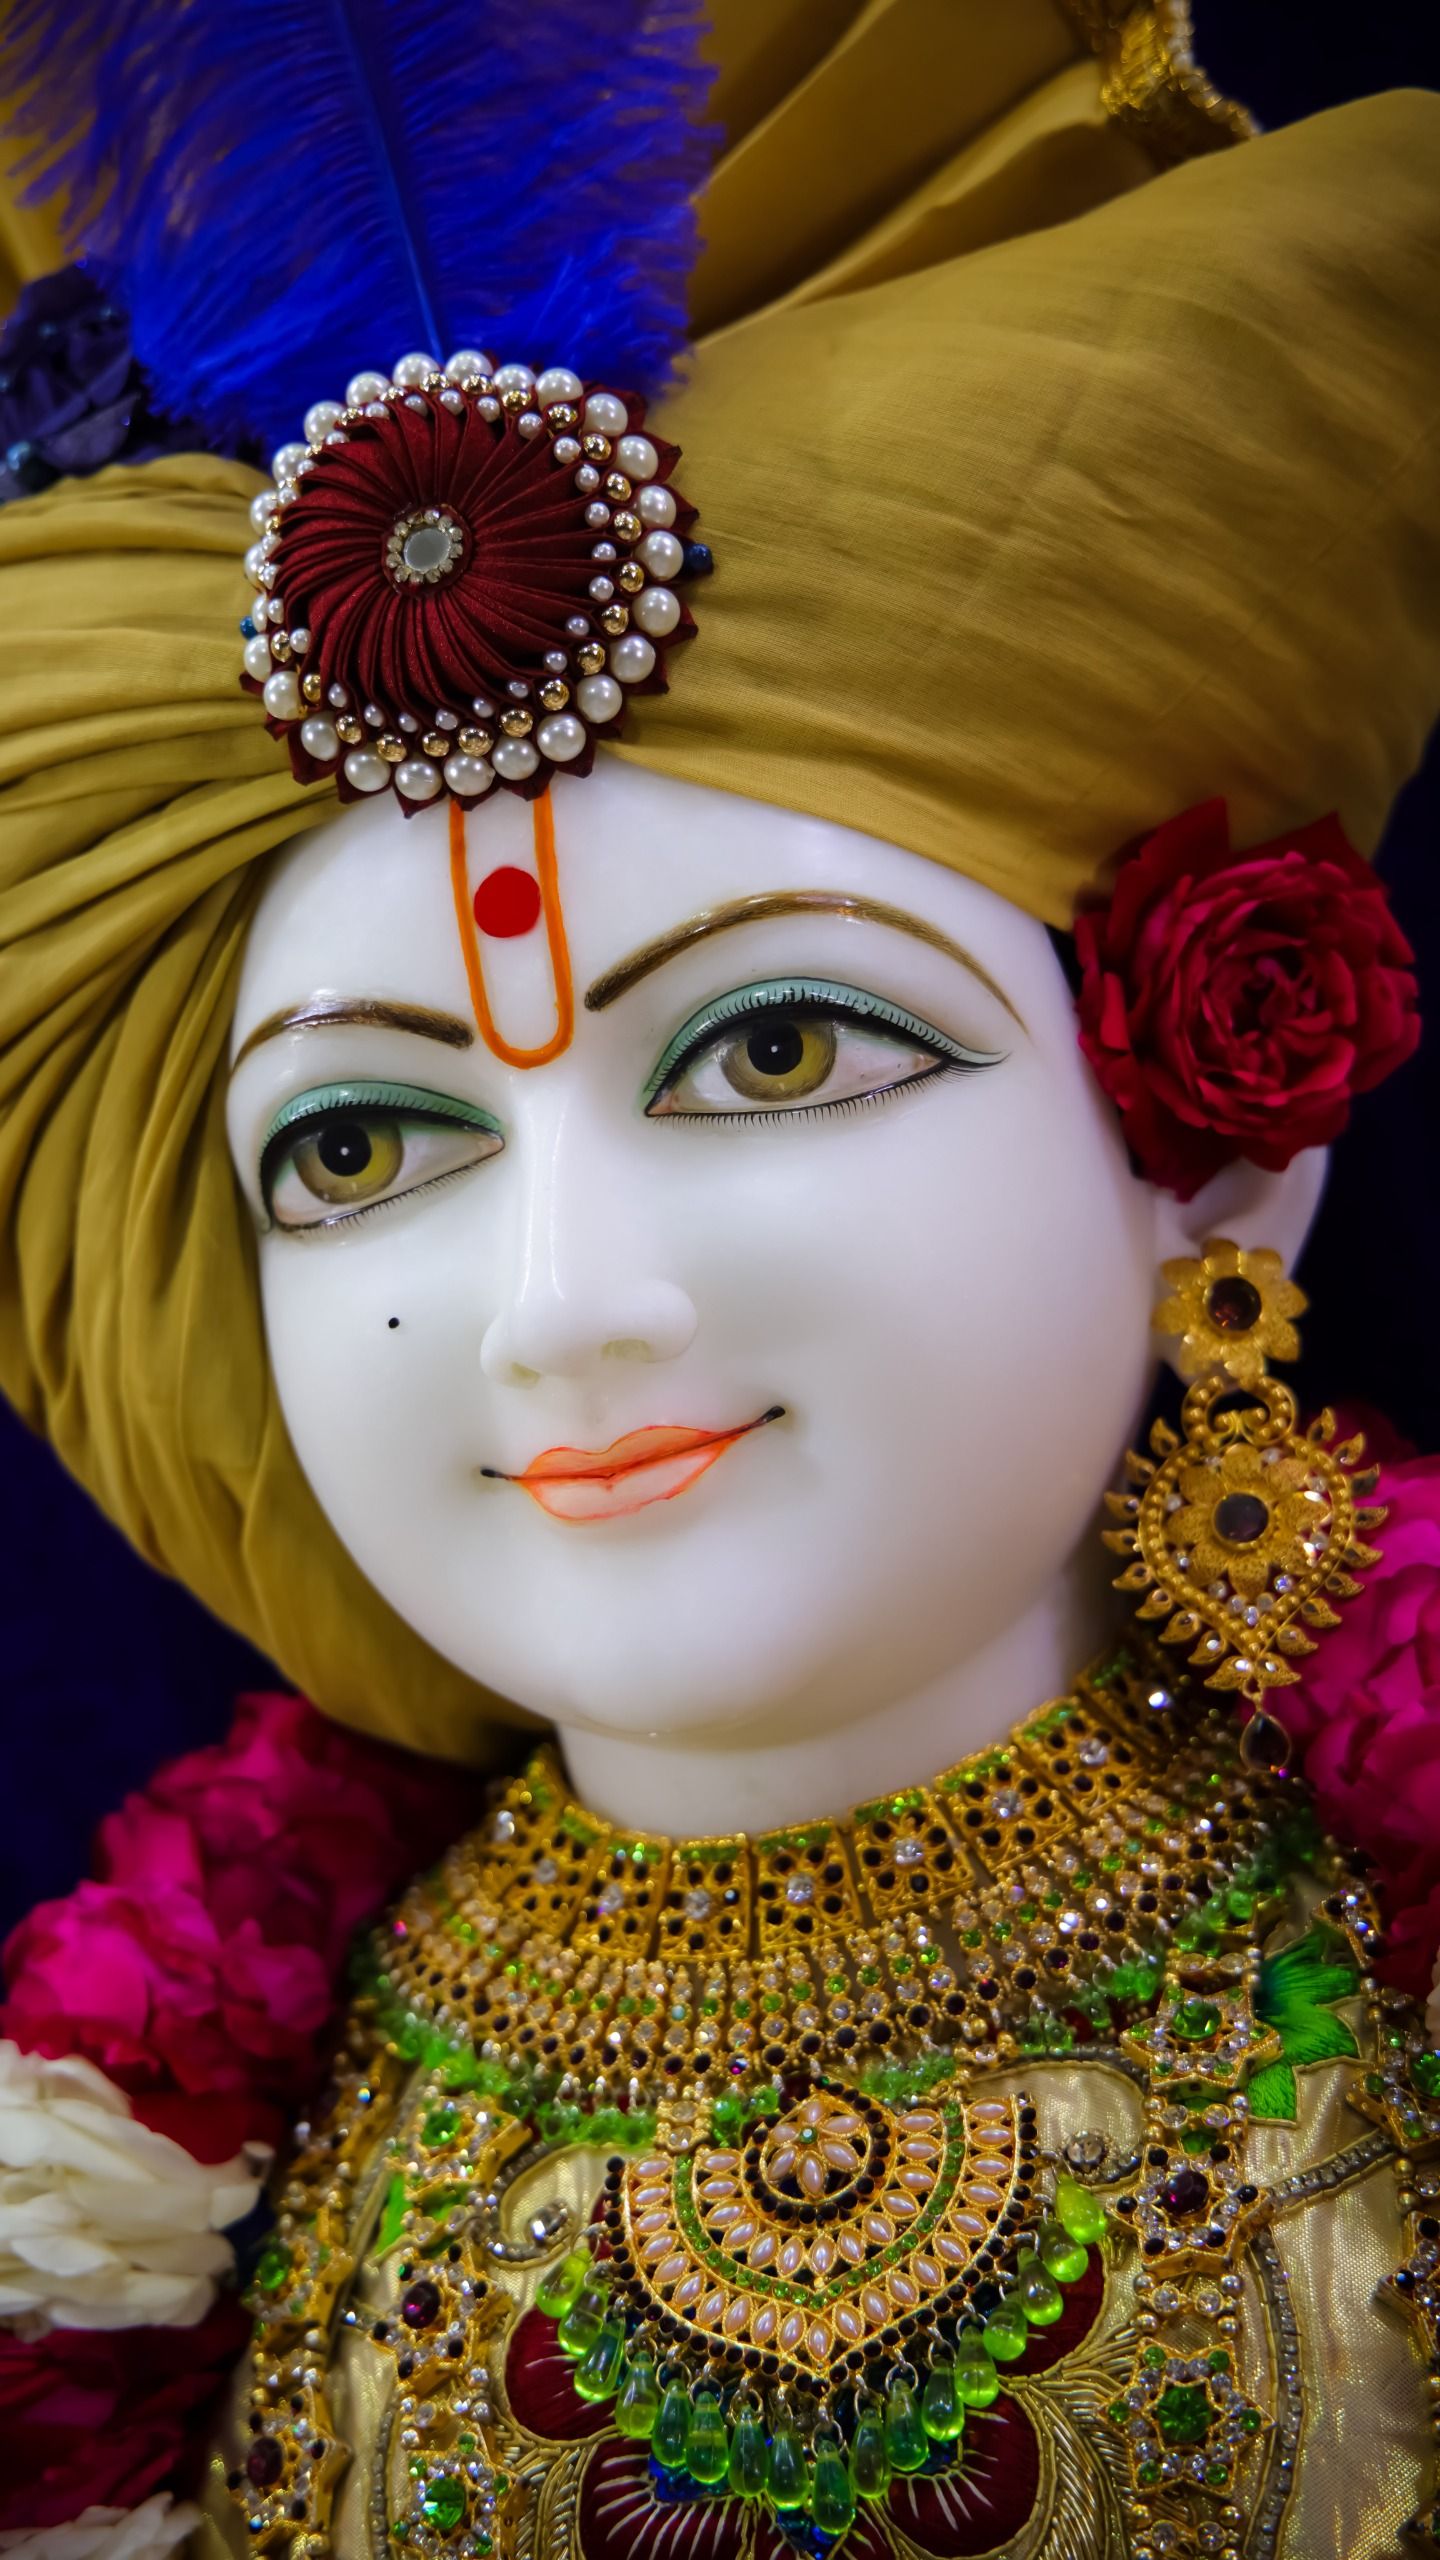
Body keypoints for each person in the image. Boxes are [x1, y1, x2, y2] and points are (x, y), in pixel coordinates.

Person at [0, 6, 1437, 2555]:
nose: (569, 1304)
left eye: (775, 1048)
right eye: (364, 1138)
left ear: (1219, 1159)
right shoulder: (169, 2153)